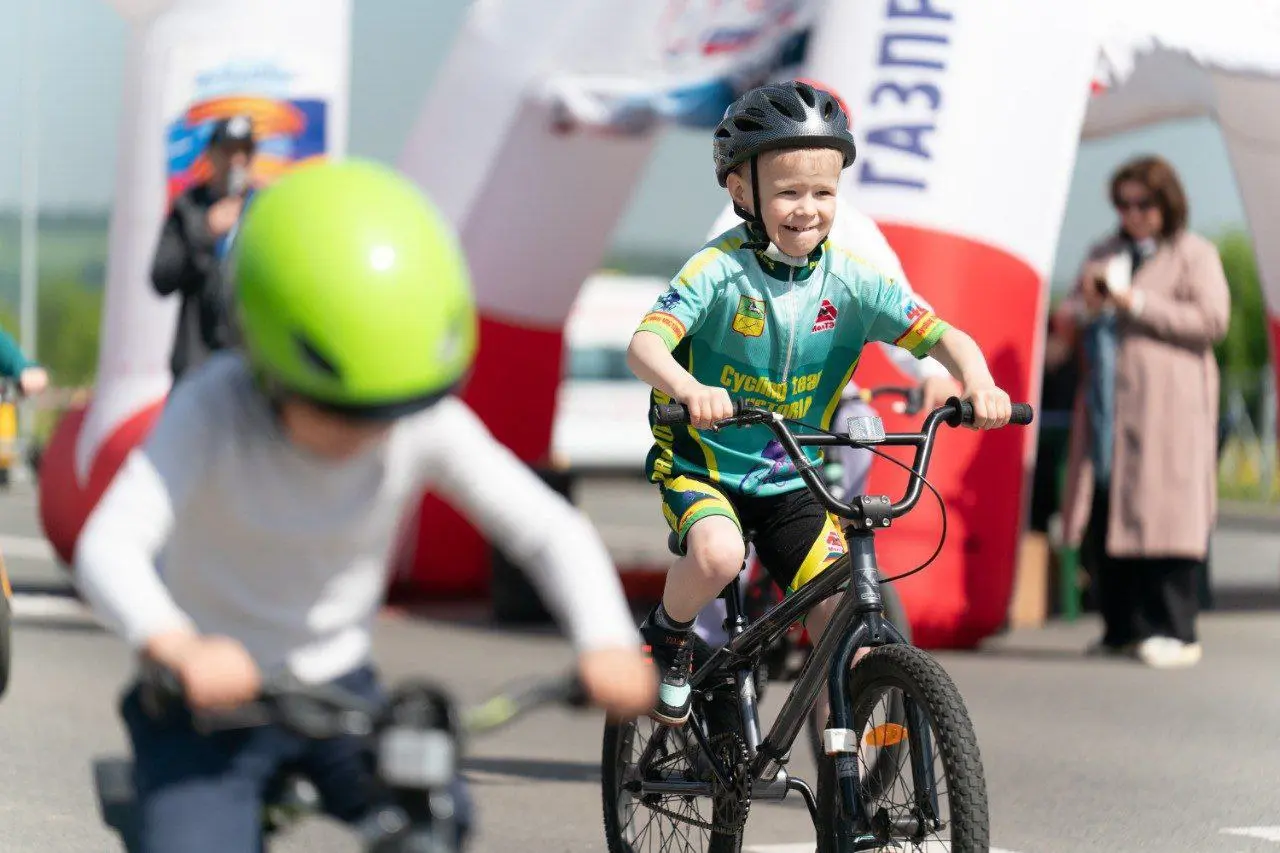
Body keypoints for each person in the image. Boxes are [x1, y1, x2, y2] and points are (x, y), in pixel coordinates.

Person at [75, 159, 656, 851]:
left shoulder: (417, 418)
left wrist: (608, 641)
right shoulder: (212, 409)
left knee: (434, 823)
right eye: (337, 412)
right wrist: (176, 644)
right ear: (261, 360)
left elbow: (547, 530)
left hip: (340, 693)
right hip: (206, 707)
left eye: (386, 414)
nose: (367, 435)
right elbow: (107, 545)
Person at [627, 80, 1013, 726]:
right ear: (743, 191)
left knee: (840, 613)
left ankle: (849, 771)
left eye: (823, 192)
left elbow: (941, 334)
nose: (807, 209)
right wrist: (690, 390)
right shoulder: (716, 270)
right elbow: (645, 345)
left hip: (790, 475)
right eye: (788, 192)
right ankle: (669, 634)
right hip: (705, 465)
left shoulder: (852, 280)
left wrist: (976, 380)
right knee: (719, 555)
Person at [693, 81, 958, 649]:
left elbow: (901, 309)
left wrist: (933, 374)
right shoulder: (736, 228)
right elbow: (697, 323)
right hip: (749, 410)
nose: (807, 206)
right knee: (726, 552)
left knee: (847, 503)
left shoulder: (854, 229)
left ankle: (840, 669)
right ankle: (706, 647)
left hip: (827, 405)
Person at [1060, 154, 1229, 669]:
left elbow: (1212, 320)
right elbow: (1068, 316)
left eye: (1143, 204)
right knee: (1110, 513)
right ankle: (1122, 627)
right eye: (1123, 204)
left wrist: (1135, 303)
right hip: (1111, 408)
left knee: (1165, 519)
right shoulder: (1104, 252)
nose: (1132, 214)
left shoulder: (1194, 255)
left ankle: (1176, 630)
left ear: (1166, 204)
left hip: (1168, 412)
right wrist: (1088, 303)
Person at [151, 114, 259, 382]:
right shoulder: (189, 208)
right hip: (198, 363)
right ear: (211, 156)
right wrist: (205, 232)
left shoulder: (264, 210)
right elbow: (161, 278)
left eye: (244, 152)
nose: (236, 161)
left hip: (251, 364)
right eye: (228, 151)